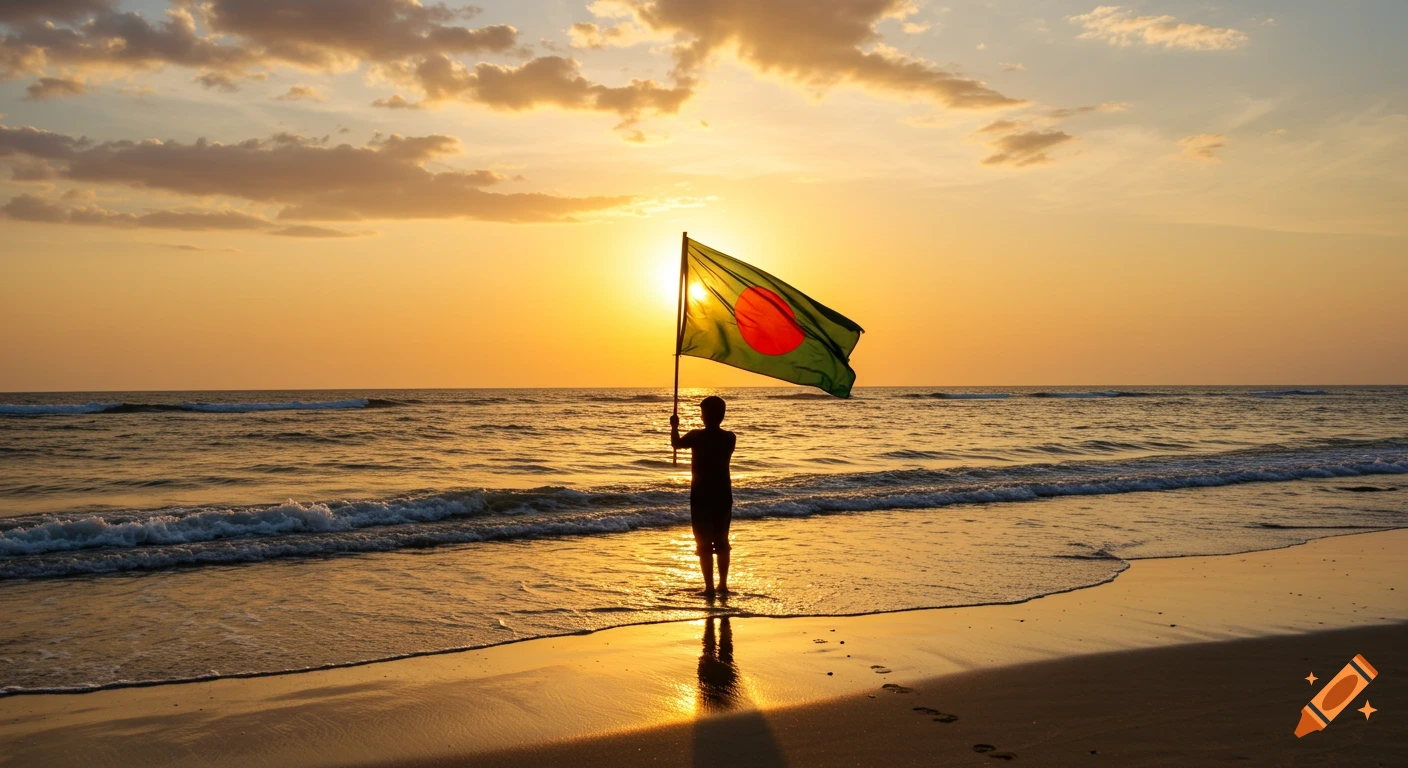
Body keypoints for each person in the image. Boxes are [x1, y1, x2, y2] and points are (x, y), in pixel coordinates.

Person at [670, 396, 736, 596]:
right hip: (723, 495)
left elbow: (676, 444)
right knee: (722, 541)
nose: (701, 414)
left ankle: (709, 588)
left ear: (707, 415)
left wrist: (674, 426)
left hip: (701, 496)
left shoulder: (697, 436)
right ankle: (722, 585)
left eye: (703, 411)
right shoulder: (729, 438)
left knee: (703, 542)